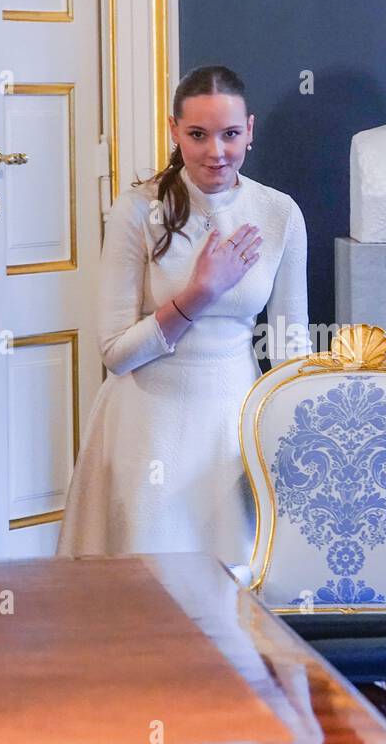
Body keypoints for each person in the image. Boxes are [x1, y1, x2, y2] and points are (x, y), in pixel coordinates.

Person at [58, 65, 310, 563]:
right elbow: (115, 354)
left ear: (250, 131)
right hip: (147, 421)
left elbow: (291, 351)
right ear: (174, 131)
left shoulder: (280, 213)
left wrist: (293, 440)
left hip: (234, 421)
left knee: (232, 591)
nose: (216, 152)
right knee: (145, 591)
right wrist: (199, 293)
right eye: (198, 135)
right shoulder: (137, 209)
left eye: (230, 134)